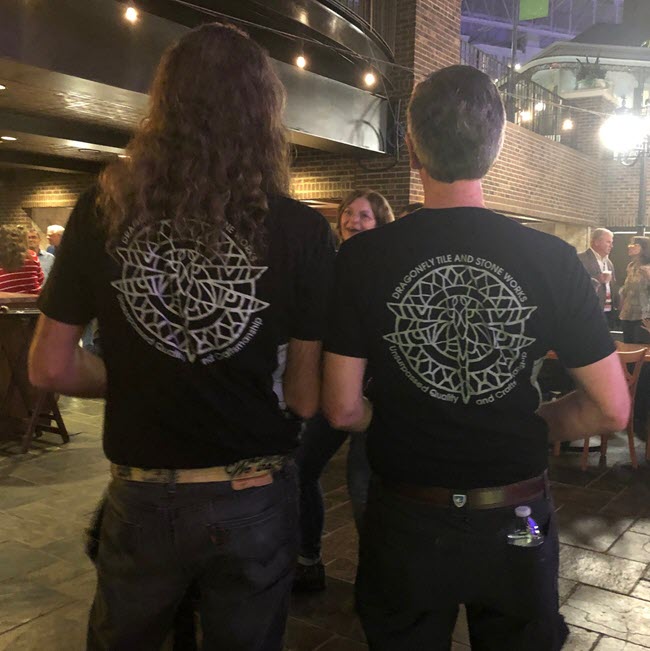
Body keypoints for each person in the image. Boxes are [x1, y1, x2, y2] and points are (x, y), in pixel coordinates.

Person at [29, 22, 335, 651]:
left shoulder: (101, 209)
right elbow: (305, 400)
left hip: (143, 496)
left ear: (163, 105)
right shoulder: (301, 231)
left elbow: (49, 368)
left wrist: (140, 374)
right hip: (252, 492)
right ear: (263, 113)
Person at [322, 65, 629, 651]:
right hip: (516, 518)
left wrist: (399, 417)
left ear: (411, 148)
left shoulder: (363, 258)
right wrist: (534, 424)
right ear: (498, 145)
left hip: (406, 516)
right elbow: (612, 409)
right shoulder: (553, 259)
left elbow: (339, 408)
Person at [294, 189, 393, 592]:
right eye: (348, 214)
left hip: (375, 397)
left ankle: (377, 581)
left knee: (364, 486)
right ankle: (307, 559)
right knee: (301, 468)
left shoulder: (390, 269)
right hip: (333, 389)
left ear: (380, 222)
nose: (353, 221)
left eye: (364, 215)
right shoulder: (331, 267)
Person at [578, 228, 618, 329]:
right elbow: (573, 283)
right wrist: (596, 279)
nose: (611, 246)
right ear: (596, 242)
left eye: (611, 242)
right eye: (608, 242)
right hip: (588, 310)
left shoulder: (609, 262)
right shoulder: (581, 259)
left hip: (607, 310)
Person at [619, 236, 650, 344]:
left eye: (634, 245)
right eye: (630, 244)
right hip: (627, 315)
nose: (630, 247)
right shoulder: (631, 266)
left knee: (642, 352)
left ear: (644, 248)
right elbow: (627, 290)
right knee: (628, 349)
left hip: (644, 317)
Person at [0, 225, 44, 294]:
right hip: (33, 300)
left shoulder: (2, 260)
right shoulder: (32, 255)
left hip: (7, 302)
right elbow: (41, 279)